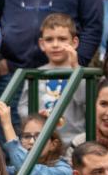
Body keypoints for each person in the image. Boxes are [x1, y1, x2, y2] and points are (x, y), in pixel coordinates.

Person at [14, 13, 87, 141]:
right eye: (49, 39)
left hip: (73, 142)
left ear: (74, 42)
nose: (55, 44)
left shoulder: (82, 73)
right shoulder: (35, 74)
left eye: (62, 39)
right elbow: (23, 107)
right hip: (42, 142)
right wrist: (37, 118)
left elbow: (84, 101)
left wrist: (76, 68)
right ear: (42, 44)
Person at [0, 106, 74, 175]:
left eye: (39, 136)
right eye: (27, 136)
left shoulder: (63, 172)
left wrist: (7, 125)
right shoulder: (16, 170)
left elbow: (26, 168)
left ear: (53, 144)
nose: (31, 141)